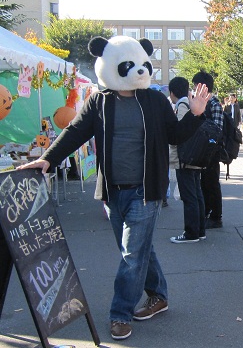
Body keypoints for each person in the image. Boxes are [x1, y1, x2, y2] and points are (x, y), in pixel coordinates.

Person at [19, 35, 211, 340]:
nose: (137, 70)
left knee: (131, 255)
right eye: (128, 64)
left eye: (141, 64)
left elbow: (175, 135)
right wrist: (48, 159)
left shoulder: (155, 100)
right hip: (112, 191)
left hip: (145, 191)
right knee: (137, 249)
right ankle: (158, 295)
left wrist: (196, 114)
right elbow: (75, 132)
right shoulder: (98, 100)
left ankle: (120, 313)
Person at [168, 77, 206, 243]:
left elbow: (181, 133)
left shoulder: (182, 105)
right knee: (197, 194)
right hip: (196, 155)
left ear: (172, 92)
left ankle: (191, 233)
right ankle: (200, 230)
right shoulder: (192, 102)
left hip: (185, 157)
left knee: (189, 195)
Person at [192, 71, 224, 229]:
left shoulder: (214, 104)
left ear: (202, 86)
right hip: (201, 151)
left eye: (195, 85)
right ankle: (206, 212)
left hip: (211, 151)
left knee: (212, 183)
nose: (193, 89)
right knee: (204, 183)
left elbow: (218, 129)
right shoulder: (201, 103)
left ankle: (216, 217)